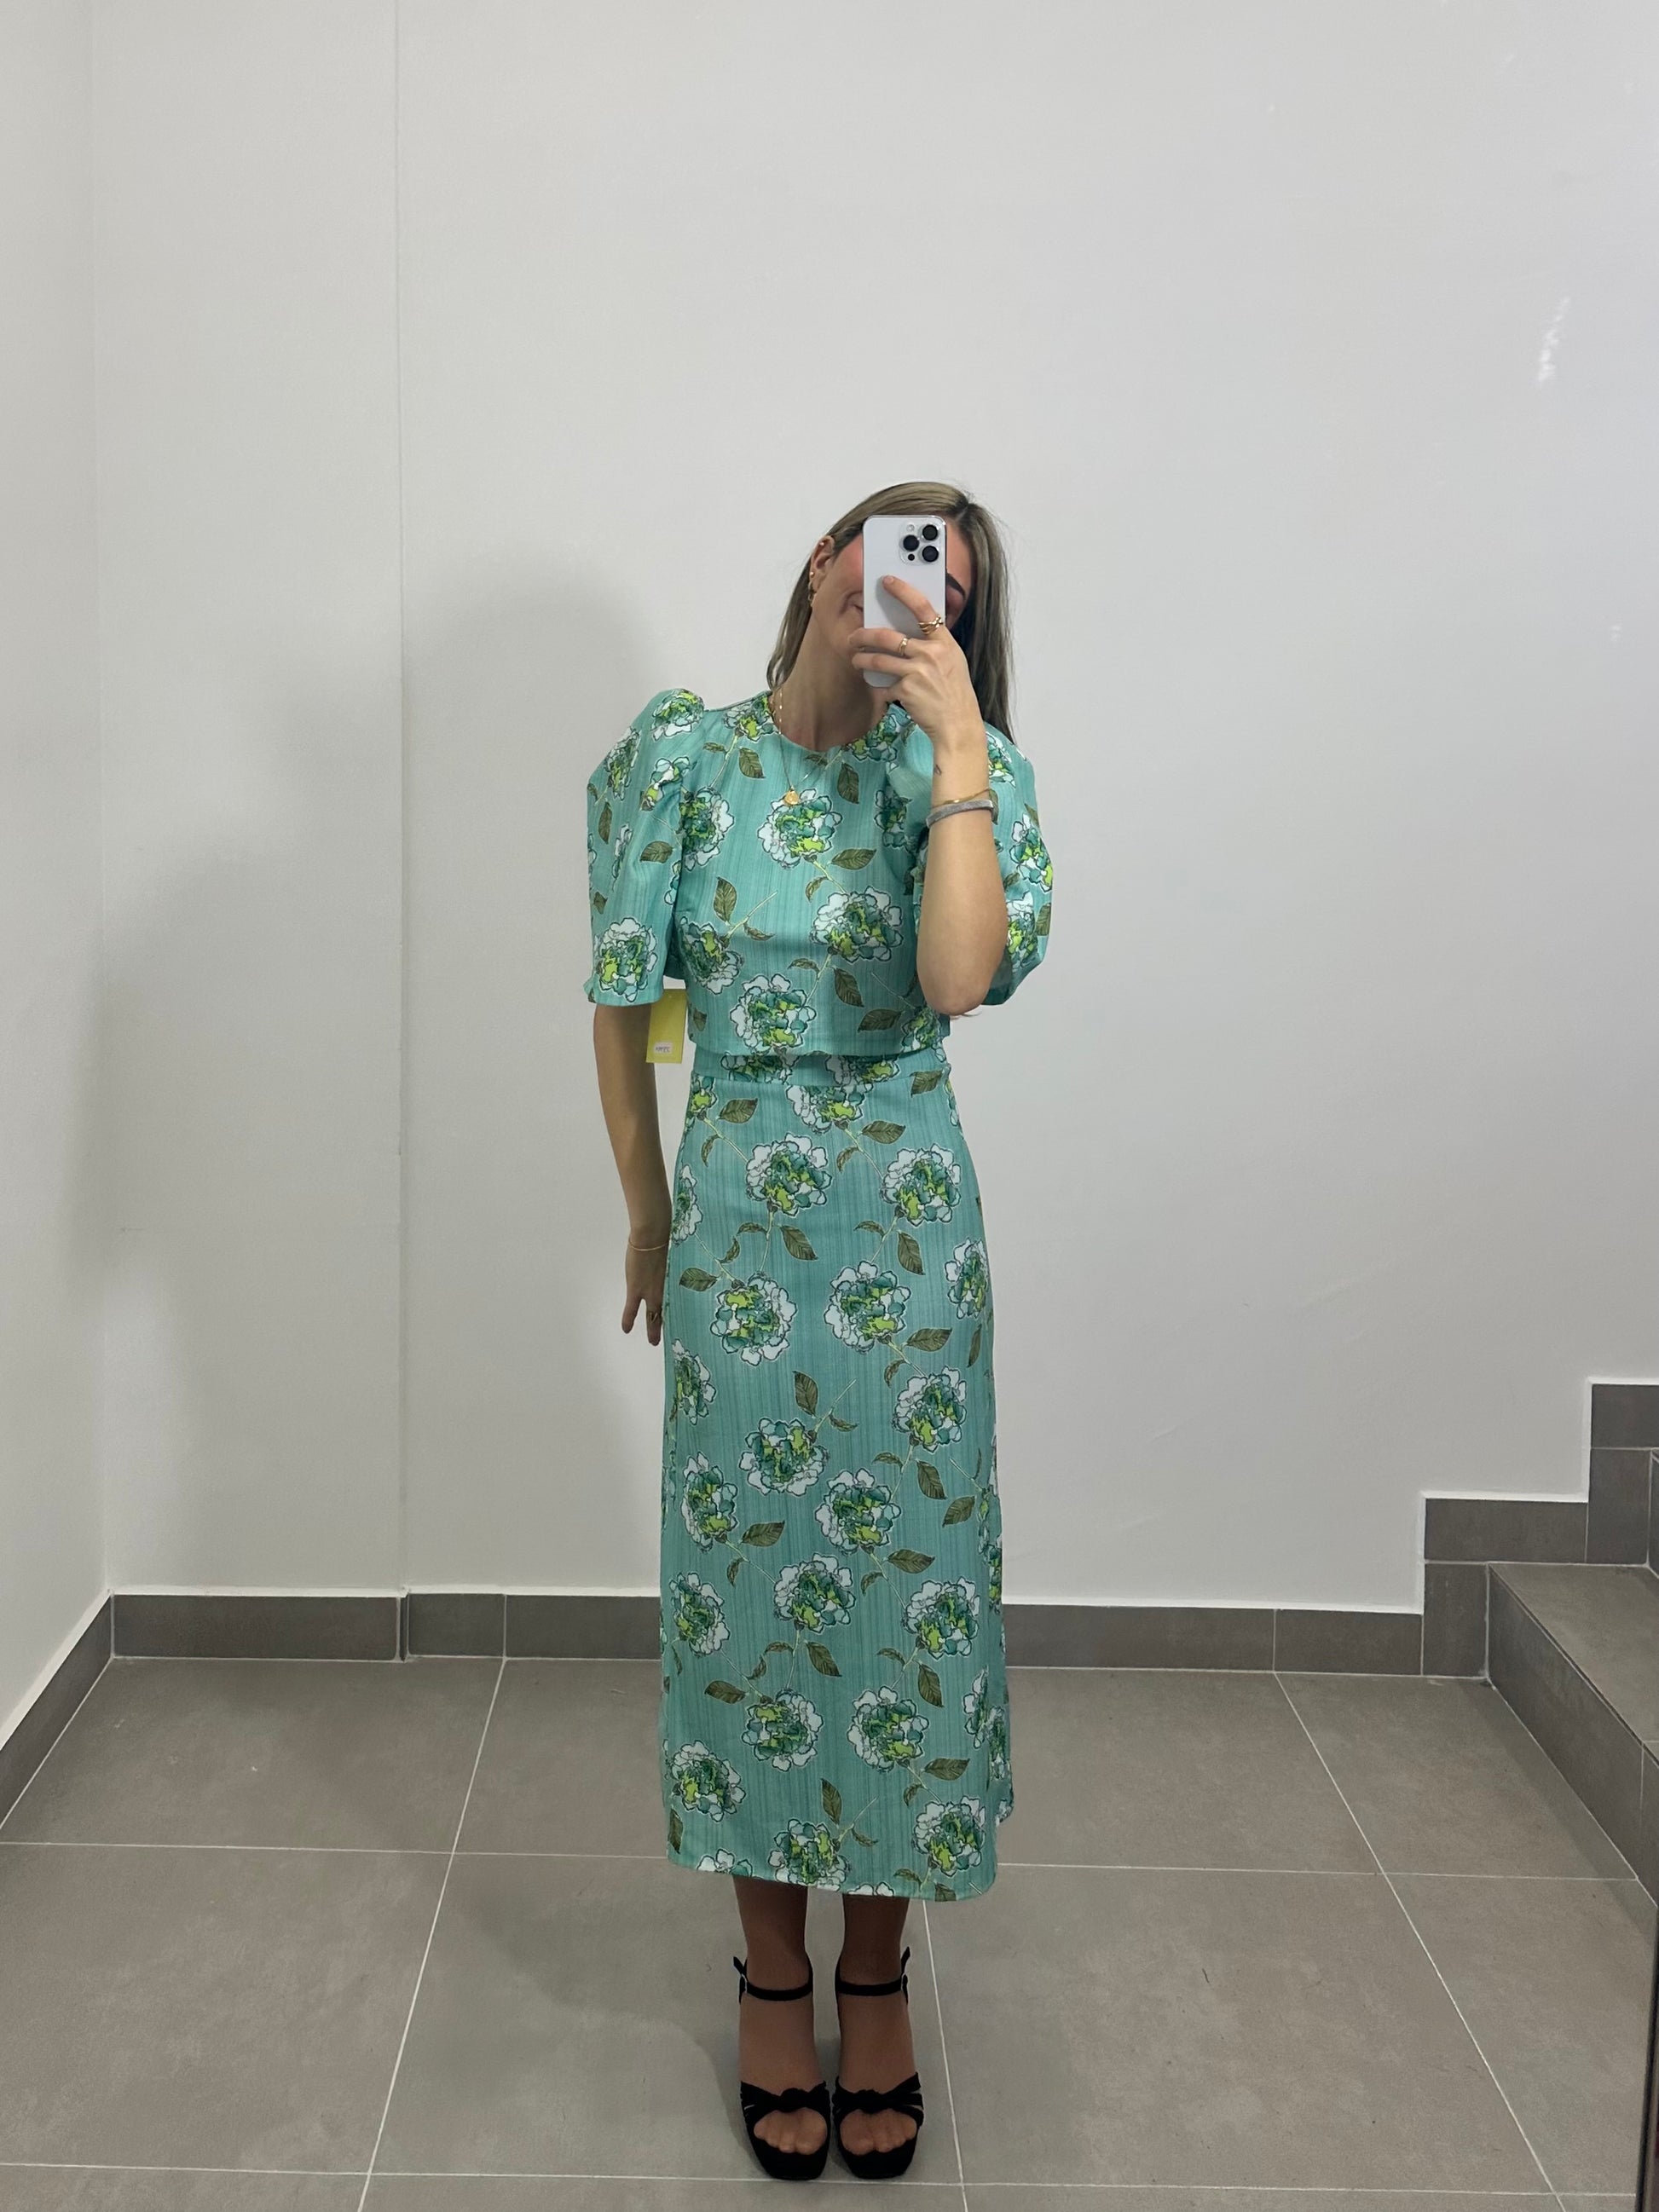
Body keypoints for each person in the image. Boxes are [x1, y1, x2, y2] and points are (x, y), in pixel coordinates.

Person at [584, 480, 1054, 2180]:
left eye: (950, 588)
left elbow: (953, 979)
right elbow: (621, 995)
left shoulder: (972, 778)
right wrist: (648, 1209)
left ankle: (878, 1970)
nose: (914, 593)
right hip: (736, 1237)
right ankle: (771, 1972)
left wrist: (956, 754)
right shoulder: (681, 760)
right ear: (823, 559)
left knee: (902, 1608)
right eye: (894, 552)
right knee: (752, 1606)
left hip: (907, 1237)